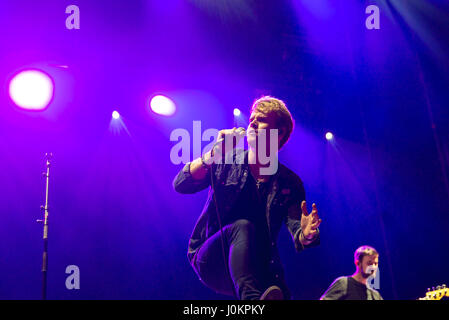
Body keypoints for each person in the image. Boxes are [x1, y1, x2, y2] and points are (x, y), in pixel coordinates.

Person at [173, 96, 322, 300]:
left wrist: (307, 234)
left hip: (259, 267)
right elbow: (181, 184)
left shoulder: (290, 183)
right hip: (212, 258)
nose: (251, 122)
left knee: (282, 294)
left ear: (279, 134)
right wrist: (213, 154)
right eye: (252, 118)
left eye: (260, 119)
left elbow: (300, 231)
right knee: (243, 226)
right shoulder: (226, 159)